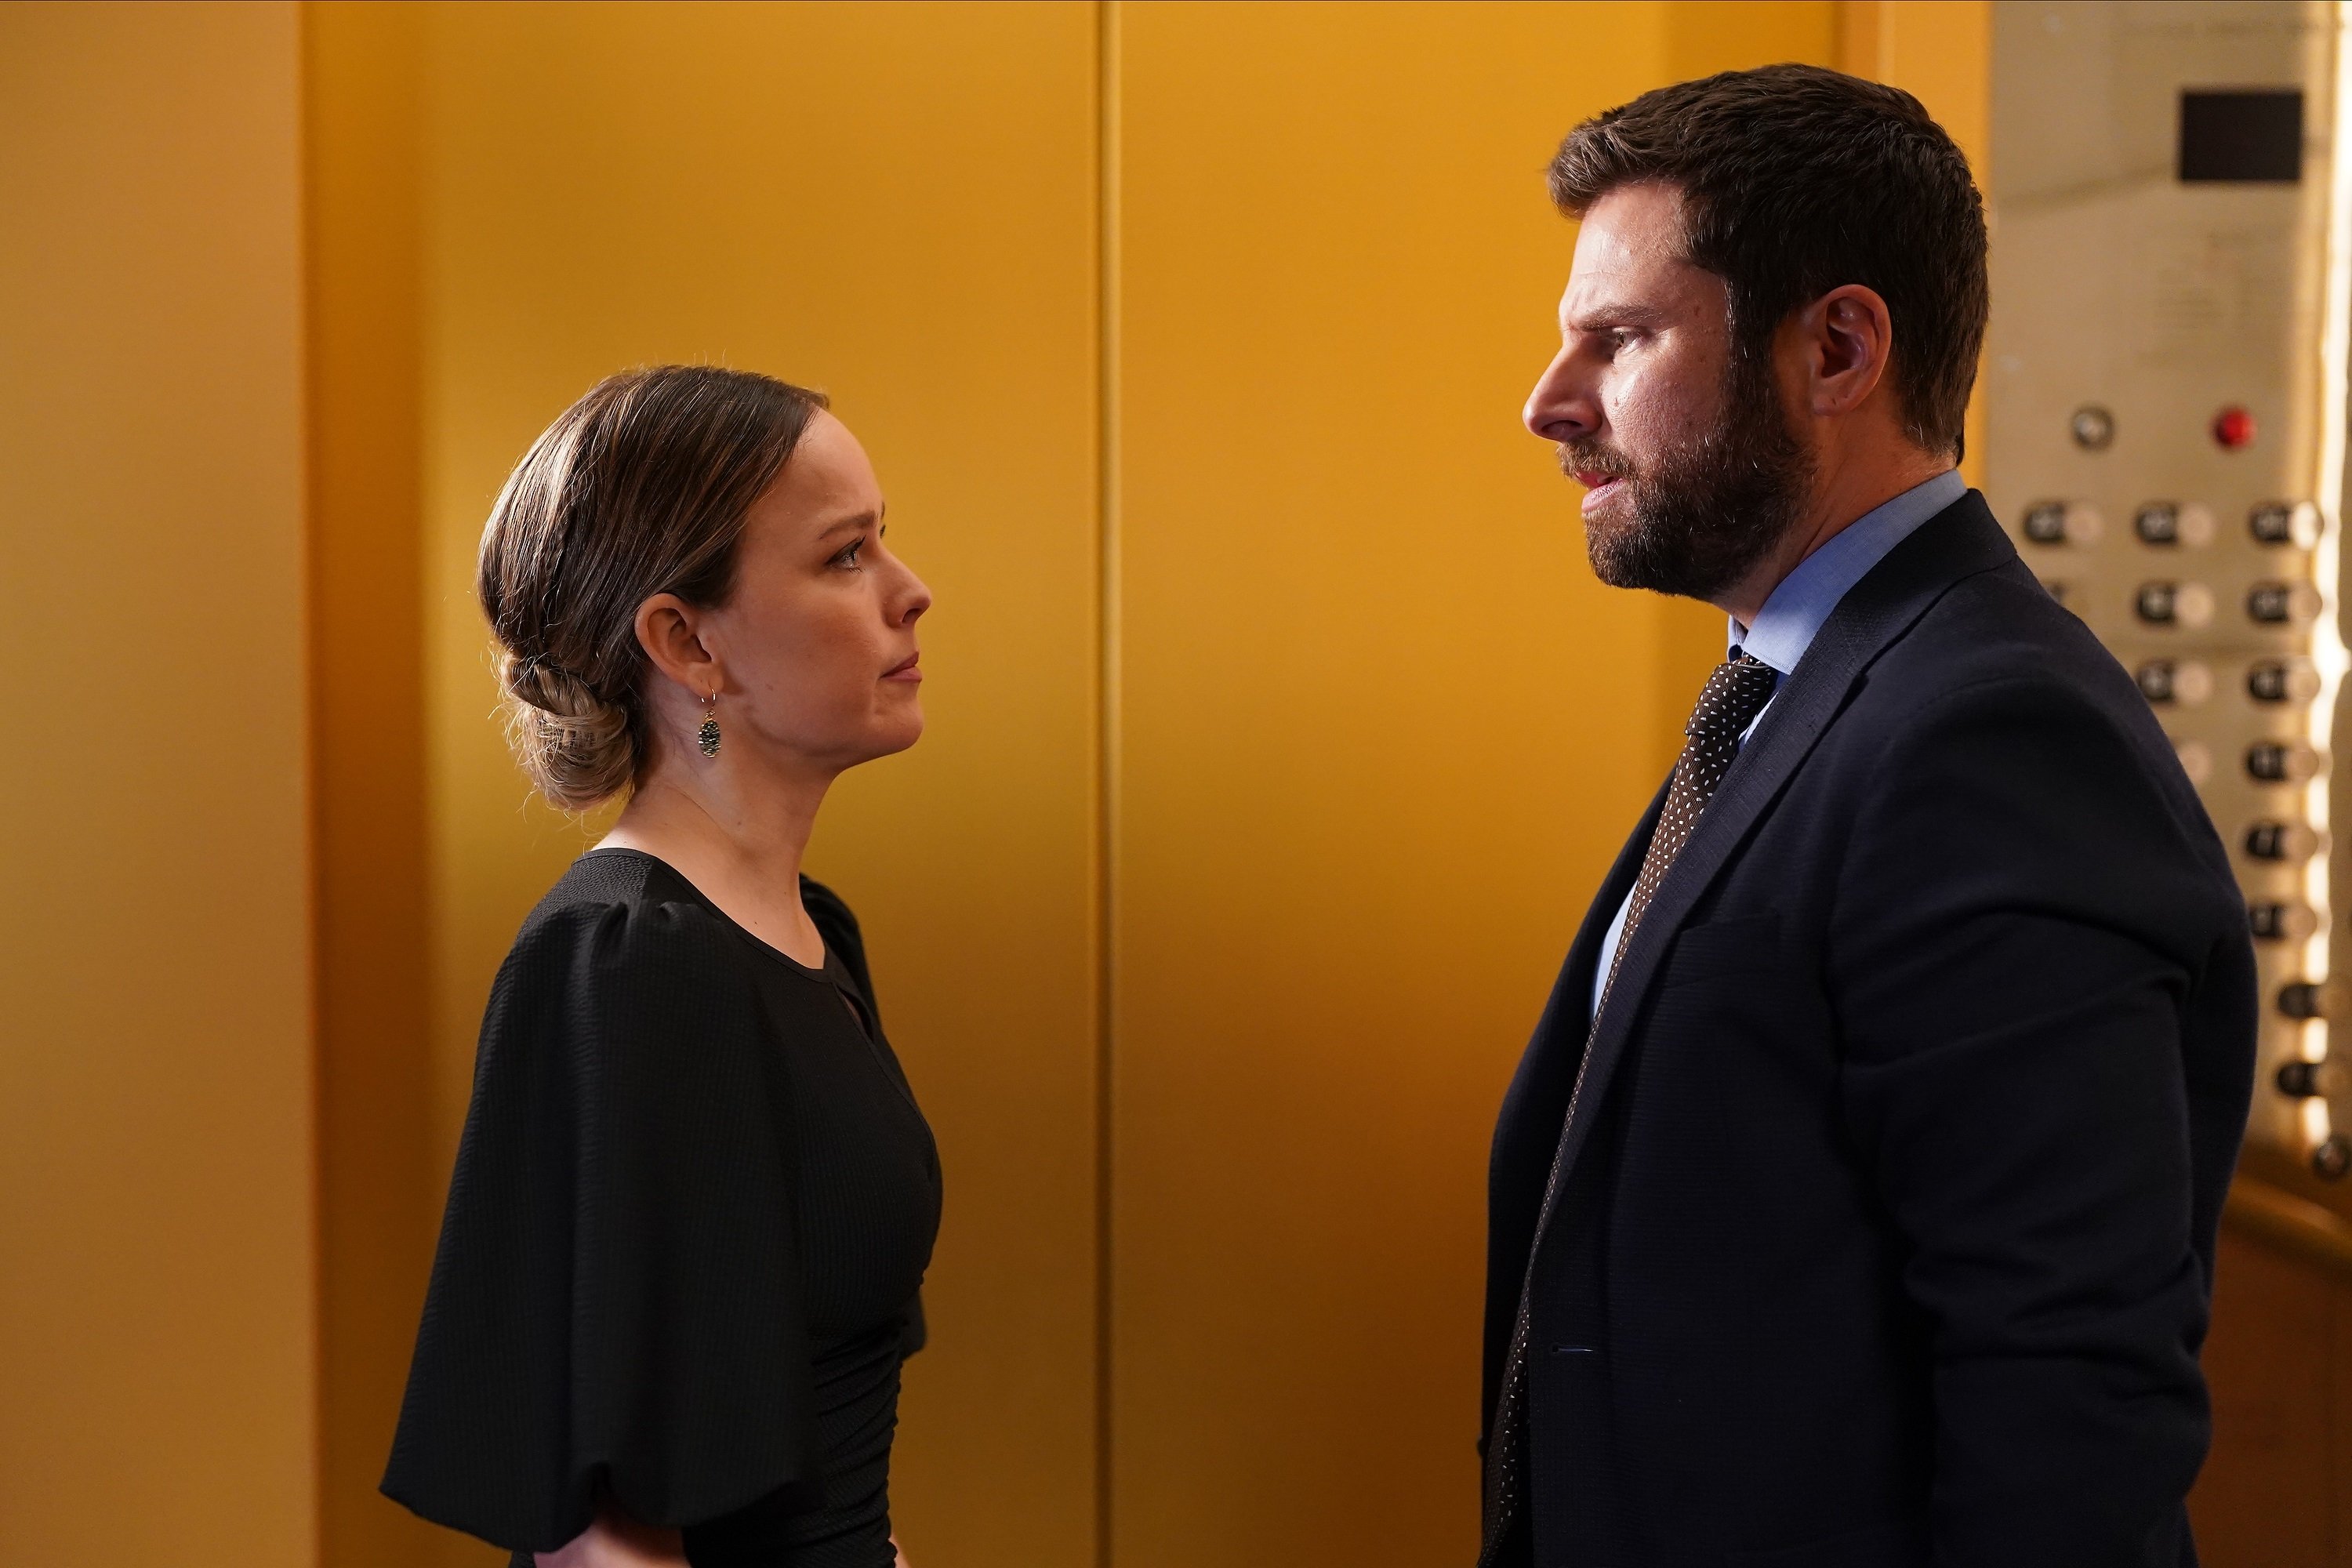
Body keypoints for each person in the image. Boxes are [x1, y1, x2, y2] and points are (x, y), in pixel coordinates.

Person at [1480, 65, 2255, 1568]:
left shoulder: (1986, 737)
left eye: (1621, 339)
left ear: (1838, 347)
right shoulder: (1811, 686)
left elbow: (2066, 1410)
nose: (1548, 401)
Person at [382, 365, 938, 1568]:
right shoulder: (626, 962)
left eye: (884, 544)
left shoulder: (813, 934)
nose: (911, 593)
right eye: (846, 556)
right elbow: (605, 1542)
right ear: (685, 641)